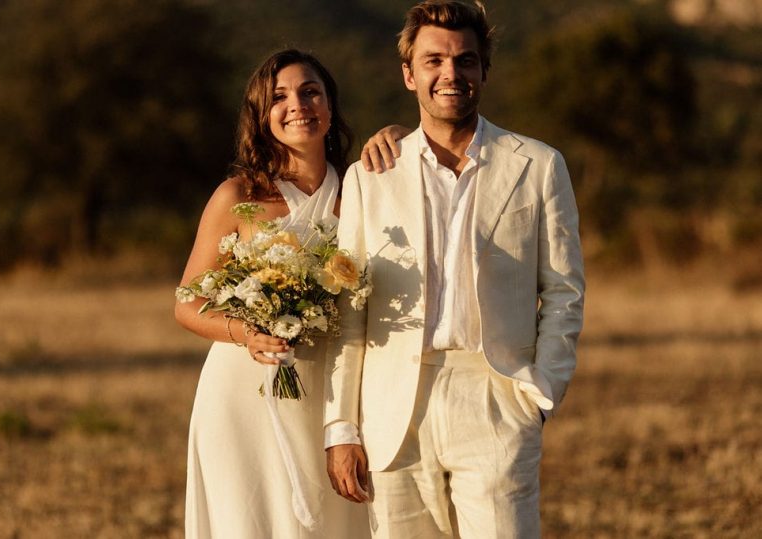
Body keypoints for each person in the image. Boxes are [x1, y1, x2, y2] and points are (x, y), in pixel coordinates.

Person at [324, 1, 586, 538]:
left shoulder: (538, 165)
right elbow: (350, 306)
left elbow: (563, 291)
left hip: (495, 392)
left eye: (465, 60)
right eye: (433, 60)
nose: (451, 73)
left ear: (484, 70)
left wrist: (539, 394)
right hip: (392, 405)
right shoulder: (370, 176)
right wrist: (342, 425)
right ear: (408, 73)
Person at [175, 49, 399, 538]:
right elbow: (187, 304)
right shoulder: (239, 196)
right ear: (261, 115)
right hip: (243, 394)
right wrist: (245, 333)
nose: (297, 104)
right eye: (278, 97)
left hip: (333, 395)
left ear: (331, 105)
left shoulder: (364, 191)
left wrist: (400, 135)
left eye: (310, 91)